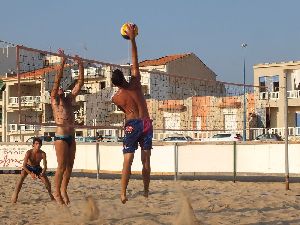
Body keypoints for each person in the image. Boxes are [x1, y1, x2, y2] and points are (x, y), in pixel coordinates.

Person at [111, 24, 153, 204]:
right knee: (146, 161)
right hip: (146, 123)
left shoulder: (116, 98)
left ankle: (123, 193)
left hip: (132, 124)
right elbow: (135, 60)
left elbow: (124, 111)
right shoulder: (135, 82)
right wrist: (133, 40)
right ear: (125, 77)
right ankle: (145, 190)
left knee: (127, 160)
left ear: (114, 83)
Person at [51, 49, 84, 205]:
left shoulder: (70, 99)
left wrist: (80, 64)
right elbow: (57, 81)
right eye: (58, 89)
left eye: (61, 88)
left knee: (70, 167)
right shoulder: (55, 101)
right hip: (60, 137)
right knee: (61, 166)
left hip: (71, 136)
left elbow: (80, 83)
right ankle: (56, 191)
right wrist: (62, 61)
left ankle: (63, 189)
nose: (60, 89)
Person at [11, 137, 54, 203]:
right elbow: (24, 165)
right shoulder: (29, 152)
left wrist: (43, 172)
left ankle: (51, 196)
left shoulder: (43, 153)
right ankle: (15, 195)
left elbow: (45, 166)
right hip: (28, 167)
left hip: (37, 167)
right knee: (21, 178)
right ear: (33, 145)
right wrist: (31, 173)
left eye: (39, 144)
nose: (38, 145)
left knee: (46, 181)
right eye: (36, 144)